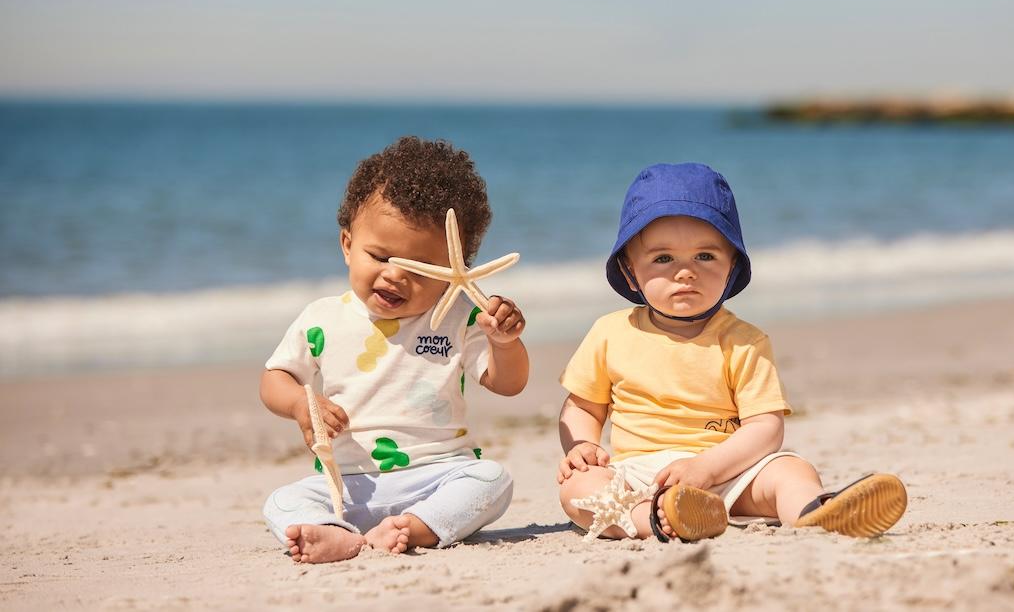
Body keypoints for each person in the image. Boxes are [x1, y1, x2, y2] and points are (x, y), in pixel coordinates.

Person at [557, 162, 907, 542]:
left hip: (726, 469)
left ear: (732, 266)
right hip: (638, 475)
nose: (685, 272)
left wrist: (706, 469)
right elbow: (583, 406)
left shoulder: (743, 341)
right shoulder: (610, 333)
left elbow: (765, 427)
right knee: (578, 489)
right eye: (663, 258)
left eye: (705, 256)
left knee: (791, 470)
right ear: (629, 271)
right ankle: (657, 520)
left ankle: (816, 512)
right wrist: (585, 446)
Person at [261, 137, 529, 563]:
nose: (394, 276)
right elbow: (275, 378)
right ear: (347, 244)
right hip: (346, 483)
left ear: (450, 271)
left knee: (492, 480)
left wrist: (505, 342)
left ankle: (414, 527)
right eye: (380, 255)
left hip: (438, 475)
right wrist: (300, 403)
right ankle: (336, 531)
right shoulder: (321, 318)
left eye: (419, 267)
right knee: (282, 501)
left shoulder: (459, 316)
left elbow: (508, 383)